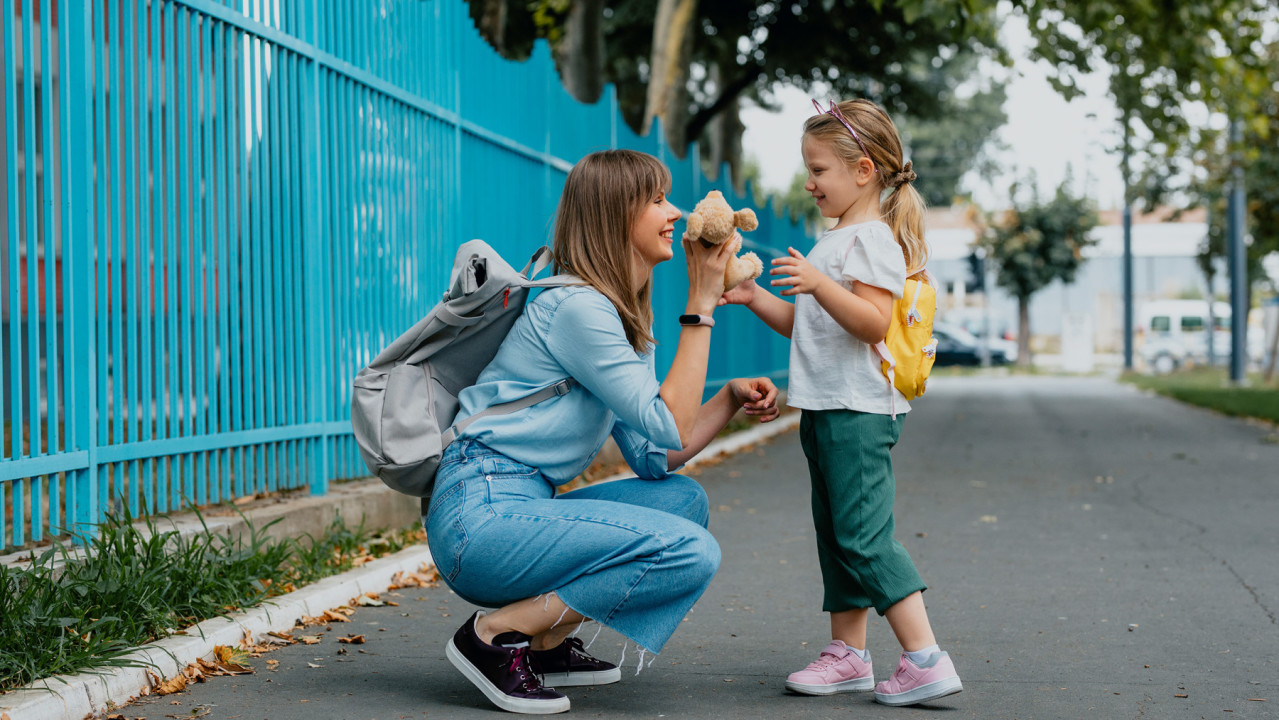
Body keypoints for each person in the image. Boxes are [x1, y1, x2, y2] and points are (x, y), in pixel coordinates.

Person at [426, 149, 781, 715]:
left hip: (520, 506)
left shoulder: (617, 316)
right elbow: (668, 418)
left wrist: (728, 399)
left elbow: (656, 456)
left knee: (682, 502)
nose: (676, 212)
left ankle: (542, 645)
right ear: (617, 214)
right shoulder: (578, 309)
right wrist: (702, 302)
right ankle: (494, 635)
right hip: (481, 517)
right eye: (658, 200)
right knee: (691, 552)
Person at [722, 99, 962, 706]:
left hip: (858, 412)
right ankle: (848, 654)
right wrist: (754, 297)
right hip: (827, 407)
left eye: (819, 169)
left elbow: (873, 324)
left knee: (864, 537)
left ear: (864, 171)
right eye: (808, 168)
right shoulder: (835, 239)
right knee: (836, 535)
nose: (809, 181)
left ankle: (925, 657)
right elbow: (811, 327)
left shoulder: (874, 239)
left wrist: (821, 282)